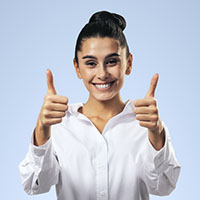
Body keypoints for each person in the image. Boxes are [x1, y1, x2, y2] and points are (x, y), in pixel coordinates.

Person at [19, 11, 181, 200]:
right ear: (77, 68)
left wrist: (155, 133)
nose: (102, 73)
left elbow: (163, 187)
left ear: (128, 63)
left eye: (112, 61)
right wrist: (42, 129)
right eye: (91, 63)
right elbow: (34, 185)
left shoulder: (147, 123)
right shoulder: (60, 125)